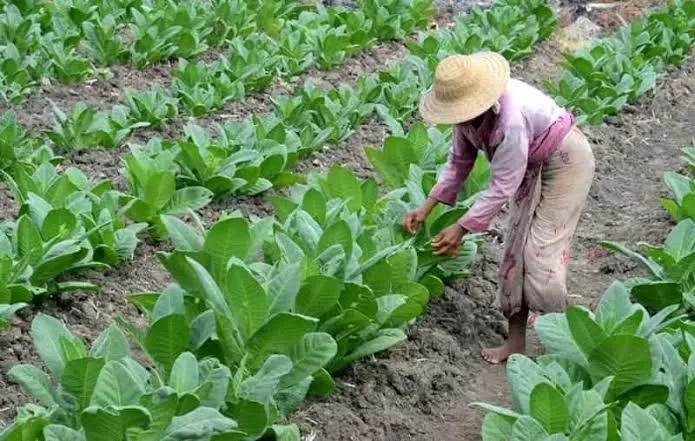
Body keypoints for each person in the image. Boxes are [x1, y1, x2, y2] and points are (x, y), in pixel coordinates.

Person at [401, 52, 595, 364]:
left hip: (565, 162)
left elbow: (502, 184)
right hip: (529, 165)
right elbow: (458, 162)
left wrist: (461, 228)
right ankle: (516, 343)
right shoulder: (466, 118)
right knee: (515, 254)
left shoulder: (510, 120)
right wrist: (427, 206)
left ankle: (573, 336)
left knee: (541, 254)